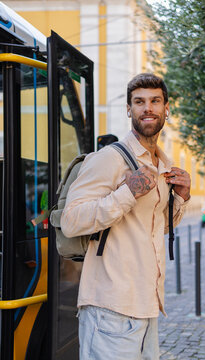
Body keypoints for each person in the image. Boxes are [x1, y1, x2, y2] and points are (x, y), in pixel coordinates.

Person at [61, 73, 191, 360]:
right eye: (139, 102)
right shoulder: (109, 158)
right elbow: (71, 221)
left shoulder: (164, 163)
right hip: (110, 308)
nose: (148, 108)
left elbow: (155, 227)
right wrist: (127, 193)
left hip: (146, 306)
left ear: (166, 108)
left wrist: (181, 198)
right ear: (129, 110)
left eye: (155, 101)